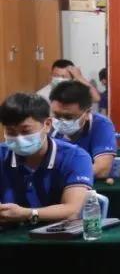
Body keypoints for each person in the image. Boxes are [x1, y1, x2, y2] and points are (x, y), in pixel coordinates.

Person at [0, 93, 93, 225]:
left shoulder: (76, 157)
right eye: (11, 132)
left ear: (47, 124)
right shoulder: (2, 154)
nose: (19, 138)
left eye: (26, 131)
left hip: (57, 234)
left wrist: (28, 214)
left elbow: (72, 210)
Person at [49, 81, 116, 179]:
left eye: (68, 117)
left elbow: (102, 170)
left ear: (87, 113)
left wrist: (66, 177)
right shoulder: (48, 126)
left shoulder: (101, 124)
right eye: (57, 115)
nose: (61, 121)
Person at [36, 59, 101, 105]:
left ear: (72, 79)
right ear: (51, 75)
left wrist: (79, 77)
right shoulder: (41, 95)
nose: (59, 79)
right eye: (56, 76)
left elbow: (96, 98)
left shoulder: (76, 91)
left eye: (63, 77)